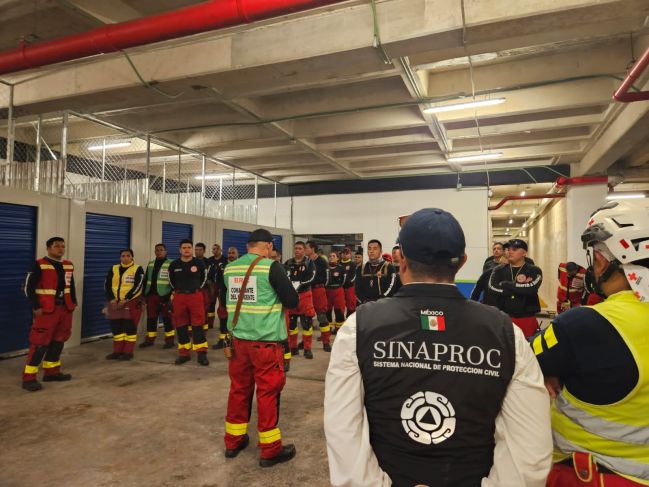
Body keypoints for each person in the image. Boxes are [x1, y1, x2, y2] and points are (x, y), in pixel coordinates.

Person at [324, 208, 552, 487]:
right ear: (463, 261)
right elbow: (530, 450)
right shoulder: (506, 334)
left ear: (401, 259)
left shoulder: (358, 328)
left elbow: (343, 431)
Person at [534, 199, 649, 486]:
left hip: (593, 475)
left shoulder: (584, 324)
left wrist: (551, 367)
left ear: (601, 260)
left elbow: (520, 359)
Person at [223, 229, 299, 467]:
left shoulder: (230, 268)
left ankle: (233, 441)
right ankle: (270, 450)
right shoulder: (271, 267)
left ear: (248, 246)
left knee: (239, 389)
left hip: (238, 342)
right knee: (268, 393)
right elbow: (292, 301)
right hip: (265, 344)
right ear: (268, 246)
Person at [22, 237, 77, 392]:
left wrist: (73, 302)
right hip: (46, 310)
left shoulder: (68, 265)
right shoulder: (39, 264)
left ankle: (52, 372)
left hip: (65, 309)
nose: (60, 249)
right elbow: (27, 287)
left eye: (63, 246)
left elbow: (70, 285)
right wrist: (35, 306)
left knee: (59, 341)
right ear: (48, 248)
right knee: (39, 343)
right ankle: (29, 378)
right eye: (57, 246)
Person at [488, 239, 543, 337]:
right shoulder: (498, 270)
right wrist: (519, 289)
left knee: (527, 344)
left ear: (524, 253)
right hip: (504, 317)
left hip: (526, 318)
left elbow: (531, 289)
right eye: (508, 249)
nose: (510, 252)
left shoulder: (534, 270)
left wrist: (506, 284)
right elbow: (492, 288)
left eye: (514, 249)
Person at [168, 239, 209, 366]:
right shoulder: (174, 264)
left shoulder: (199, 263)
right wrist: (178, 291)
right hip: (179, 297)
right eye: (184, 247)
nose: (186, 250)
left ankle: (201, 353)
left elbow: (204, 278)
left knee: (198, 325)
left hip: (195, 296)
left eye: (189, 247)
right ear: (180, 250)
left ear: (192, 249)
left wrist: (195, 289)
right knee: (180, 325)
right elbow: (171, 281)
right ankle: (184, 354)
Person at [104, 249, 145, 361]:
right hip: (115, 302)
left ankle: (128, 352)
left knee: (130, 328)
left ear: (132, 257)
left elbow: (138, 285)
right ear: (120, 257)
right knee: (116, 328)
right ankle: (117, 352)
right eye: (123, 256)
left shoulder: (138, 269)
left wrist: (126, 298)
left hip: (131, 302)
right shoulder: (113, 268)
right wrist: (111, 299)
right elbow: (107, 284)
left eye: (128, 255)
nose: (125, 258)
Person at [285, 241, 316, 359]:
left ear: (304, 250)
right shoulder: (288, 263)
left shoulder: (309, 262)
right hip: (292, 296)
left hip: (305, 296)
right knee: (291, 324)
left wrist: (300, 284)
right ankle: (293, 348)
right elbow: (283, 276)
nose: (297, 250)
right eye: (296, 248)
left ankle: (307, 349)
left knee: (306, 324)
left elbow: (312, 277)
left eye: (300, 248)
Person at [140, 243, 175, 349]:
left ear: (166, 251)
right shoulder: (151, 264)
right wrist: (143, 295)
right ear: (155, 252)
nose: (159, 252)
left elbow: (174, 281)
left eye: (161, 250)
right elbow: (146, 280)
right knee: (151, 319)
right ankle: (149, 340)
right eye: (157, 250)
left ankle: (170, 341)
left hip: (165, 296)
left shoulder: (171, 263)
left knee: (167, 319)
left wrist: (170, 296)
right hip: (151, 296)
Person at [355, 239, 397, 304]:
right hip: (365, 305)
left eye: (375, 249)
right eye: (369, 249)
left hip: (383, 305)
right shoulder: (361, 269)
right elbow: (357, 288)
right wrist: (364, 301)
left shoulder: (389, 267)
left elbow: (391, 287)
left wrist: (380, 301)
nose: (371, 251)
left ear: (381, 251)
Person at [305, 241, 330, 348]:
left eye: (306, 248)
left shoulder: (321, 261)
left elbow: (327, 278)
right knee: (307, 318)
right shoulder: (305, 261)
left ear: (312, 249)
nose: (305, 250)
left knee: (321, 316)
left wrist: (321, 287)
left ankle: (326, 342)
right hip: (307, 291)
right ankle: (306, 343)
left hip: (318, 290)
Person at [210, 244, 230, 349]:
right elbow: (215, 278)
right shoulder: (221, 265)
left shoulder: (238, 265)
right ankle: (223, 340)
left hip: (235, 296)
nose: (231, 255)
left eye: (233, 253)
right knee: (223, 315)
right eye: (229, 253)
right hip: (222, 292)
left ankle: (232, 340)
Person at [325, 252, 346, 347]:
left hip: (338, 290)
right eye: (330, 256)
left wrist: (338, 286)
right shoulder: (326, 268)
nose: (331, 257)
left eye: (333, 256)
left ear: (337, 258)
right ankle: (327, 333)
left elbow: (344, 280)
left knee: (339, 312)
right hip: (327, 291)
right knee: (327, 312)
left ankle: (339, 333)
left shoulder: (341, 268)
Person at [206, 244, 227, 330]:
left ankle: (223, 322)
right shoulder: (209, 260)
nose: (215, 250)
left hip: (222, 285)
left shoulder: (225, 260)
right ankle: (210, 323)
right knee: (211, 304)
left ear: (220, 250)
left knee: (222, 304)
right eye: (213, 249)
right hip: (212, 285)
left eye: (217, 249)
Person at [194, 242, 213, 334]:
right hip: (193, 289)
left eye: (200, 250)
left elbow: (210, 277)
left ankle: (204, 327)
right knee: (193, 309)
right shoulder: (191, 261)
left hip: (204, 289)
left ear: (204, 251)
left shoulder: (208, 263)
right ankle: (193, 327)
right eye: (196, 250)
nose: (197, 252)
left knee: (204, 308)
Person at [340, 247, 357, 320]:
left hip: (349, 287)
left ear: (350, 255)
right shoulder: (339, 263)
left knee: (351, 304)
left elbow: (354, 276)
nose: (345, 255)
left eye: (347, 253)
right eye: (343, 253)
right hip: (340, 288)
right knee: (340, 305)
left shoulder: (352, 264)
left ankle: (350, 319)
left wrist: (349, 282)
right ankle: (340, 320)